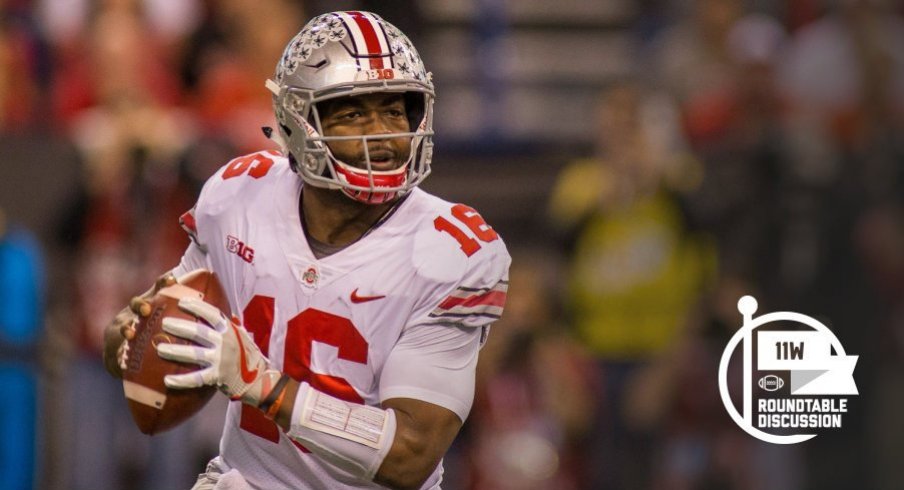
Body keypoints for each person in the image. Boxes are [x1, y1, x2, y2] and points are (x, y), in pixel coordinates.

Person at [102, 11, 510, 490]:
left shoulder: (451, 250)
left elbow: (409, 454)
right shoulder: (241, 194)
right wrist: (134, 336)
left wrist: (262, 384)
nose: (382, 133)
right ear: (298, 122)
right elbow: (146, 336)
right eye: (354, 112)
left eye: (396, 110)